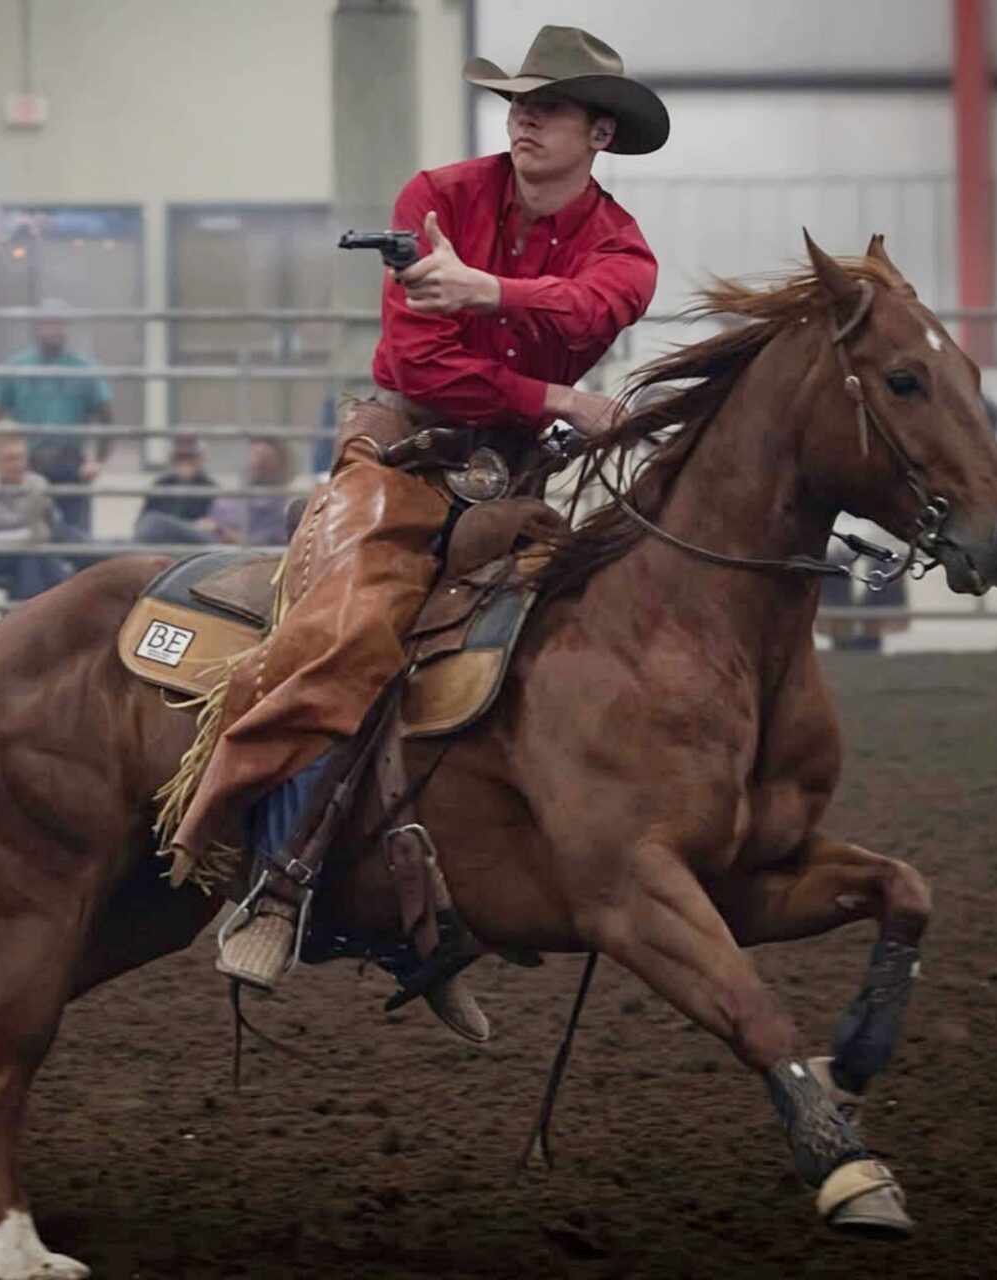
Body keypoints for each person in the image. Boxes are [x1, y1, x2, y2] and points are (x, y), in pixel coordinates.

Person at [166, 24, 665, 1018]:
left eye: (552, 105)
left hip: (512, 483)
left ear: (598, 131)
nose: (525, 116)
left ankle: (435, 909)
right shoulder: (435, 197)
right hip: (402, 456)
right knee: (352, 632)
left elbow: (593, 308)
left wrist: (485, 291)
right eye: (519, 101)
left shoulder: (622, 248)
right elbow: (427, 367)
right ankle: (272, 877)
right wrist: (559, 399)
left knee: (554, 665)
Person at [0, 299, 114, 539]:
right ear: (37, 328)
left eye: (59, 323)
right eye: (48, 323)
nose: (53, 329)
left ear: (66, 328)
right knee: (33, 536)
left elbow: (107, 416)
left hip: (72, 465)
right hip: (29, 465)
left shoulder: (84, 368)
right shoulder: (17, 366)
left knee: (76, 539)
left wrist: (99, 460)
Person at [0, 434, 69, 601]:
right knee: (36, 558)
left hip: (28, 557)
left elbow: (51, 526)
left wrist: (34, 537)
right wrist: (25, 537)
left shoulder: (37, 484)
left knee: (33, 561)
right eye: (10, 459)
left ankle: (21, 616)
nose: (17, 464)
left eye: (21, 458)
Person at [133, 436, 222, 545]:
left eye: (190, 457)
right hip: (164, 540)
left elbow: (213, 525)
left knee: (153, 521)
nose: (184, 462)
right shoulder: (161, 484)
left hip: (195, 541)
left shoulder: (209, 486)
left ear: (199, 459)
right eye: (179, 457)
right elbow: (142, 524)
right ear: (172, 459)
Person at [207, 437, 294, 547]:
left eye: (264, 457)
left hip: (229, 549)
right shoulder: (232, 496)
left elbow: (261, 543)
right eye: (255, 455)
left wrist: (220, 531)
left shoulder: (276, 504)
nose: (257, 461)